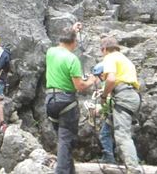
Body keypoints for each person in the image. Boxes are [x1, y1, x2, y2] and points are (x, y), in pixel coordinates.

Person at [45, 22, 97, 174]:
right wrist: (92, 80)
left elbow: (63, 42)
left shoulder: (51, 52)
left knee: (63, 140)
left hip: (50, 101)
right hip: (66, 102)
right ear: (74, 42)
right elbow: (79, 86)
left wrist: (72, 31)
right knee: (66, 140)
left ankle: (69, 171)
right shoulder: (72, 59)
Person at [99, 36, 142, 174]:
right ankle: (108, 159)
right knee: (107, 129)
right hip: (130, 95)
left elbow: (111, 80)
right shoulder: (125, 59)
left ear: (105, 49)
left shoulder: (110, 58)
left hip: (123, 97)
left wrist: (104, 95)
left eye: (102, 50)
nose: (102, 53)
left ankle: (133, 168)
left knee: (122, 135)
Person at [91, 62, 116, 164]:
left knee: (105, 134)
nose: (98, 79)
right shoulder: (111, 82)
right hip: (119, 110)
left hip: (116, 112)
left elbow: (111, 101)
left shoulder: (109, 82)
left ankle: (109, 159)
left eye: (98, 76)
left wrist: (100, 110)